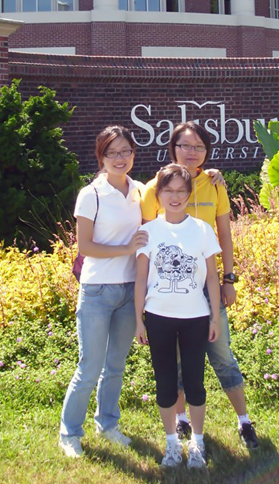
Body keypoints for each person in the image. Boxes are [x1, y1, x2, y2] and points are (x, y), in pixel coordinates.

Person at [141, 122, 259, 449]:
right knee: (177, 359)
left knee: (222, 354)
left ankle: (244, 421)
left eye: (198, 147)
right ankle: (181, 420)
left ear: (206, 152)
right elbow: (146, 240)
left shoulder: (215, 185)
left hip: (207, 286)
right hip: (170, 287)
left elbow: (225, 236)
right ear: (173, 149)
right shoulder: (155, 188)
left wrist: (229, 278)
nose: (191, 152)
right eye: (184, 146)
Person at [59, 125, 148, 458]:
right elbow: (85, 246)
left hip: (129, 290)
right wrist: (126, 249)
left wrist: (210, 174)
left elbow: (176, 184)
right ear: (101, 157)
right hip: (96, 290)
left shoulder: (140, 191)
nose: (120, 158)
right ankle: (69, 433)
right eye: (112, 152)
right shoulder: (91, 194)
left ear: (134, 153)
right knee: (89, 367)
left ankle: (108, 424)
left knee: (115, 366)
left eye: (126, 151)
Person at [135, 163, 221, 469]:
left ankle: (197, 442)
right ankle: (172, 443)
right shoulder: (148, 232)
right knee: (165, 383)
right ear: (158, 194)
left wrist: (214, 317)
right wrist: (138, 319)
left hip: (195, 318)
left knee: (195, 382)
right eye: (168, 191)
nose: (175, 197)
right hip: (158, 317)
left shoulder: (202, 230)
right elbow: (141, 279)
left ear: (189, 194)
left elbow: (213, 277)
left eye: (181, 191)